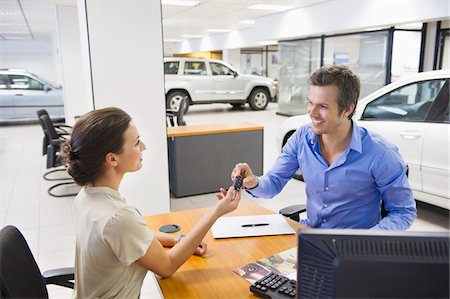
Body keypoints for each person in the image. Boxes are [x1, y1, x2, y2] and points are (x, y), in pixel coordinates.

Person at [60, 107, 241, 298]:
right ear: (112, 159)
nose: (143, 147)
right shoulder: (118, 217)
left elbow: (134, 236)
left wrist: (177, 239)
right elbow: (167, 266)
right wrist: (216, 211)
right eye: (137, 142)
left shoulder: (87, 196)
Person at [231, 65, 417, 230]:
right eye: (310, 102)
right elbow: (272, 184)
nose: (311, 112)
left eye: (323, 106)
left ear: (347, 110)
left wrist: (365, 244)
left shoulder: (381, 154)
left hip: (354, 249)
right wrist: (253, 181)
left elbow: (403, 212)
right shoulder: (301, 138)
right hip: (311, 237)